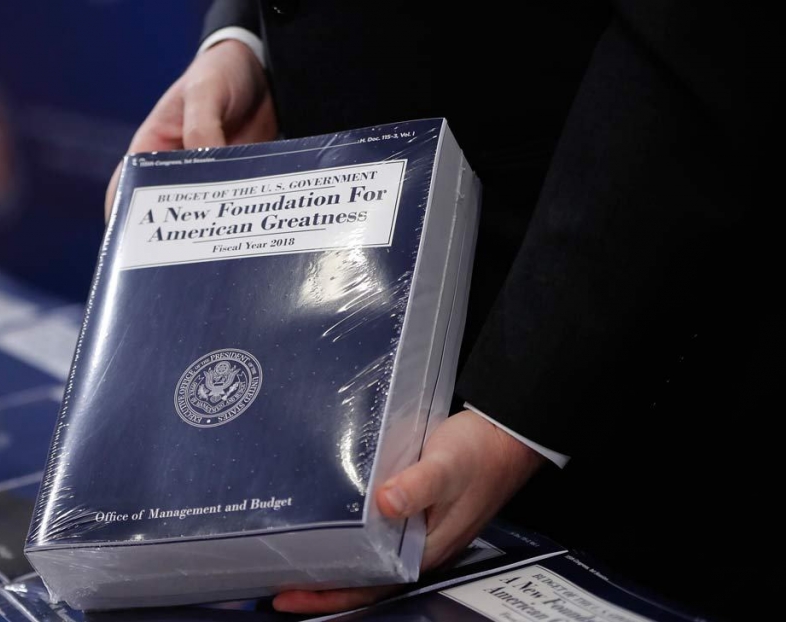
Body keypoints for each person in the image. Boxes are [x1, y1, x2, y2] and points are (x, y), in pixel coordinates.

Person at [106, 2, 761, 618]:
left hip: (612, 368)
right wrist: (241, 42)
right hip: (332, 335)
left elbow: (704, 36)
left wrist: (516, 417)